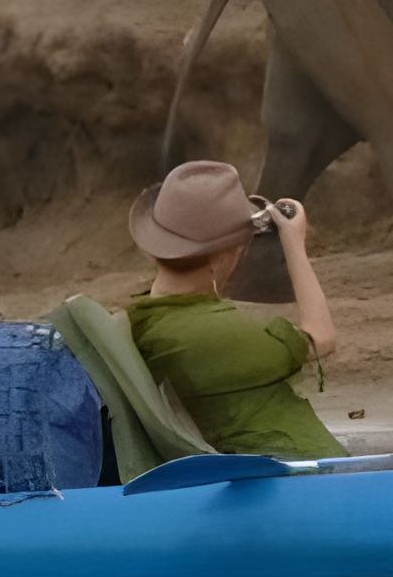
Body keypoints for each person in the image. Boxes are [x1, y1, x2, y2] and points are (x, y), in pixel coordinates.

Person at [123, 160, 345, 459]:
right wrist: (294, 242)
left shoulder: (143, 321)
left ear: (153, 247)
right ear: (222, 258)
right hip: (285, 483)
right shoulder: (219, 335)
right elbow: (322, 337)